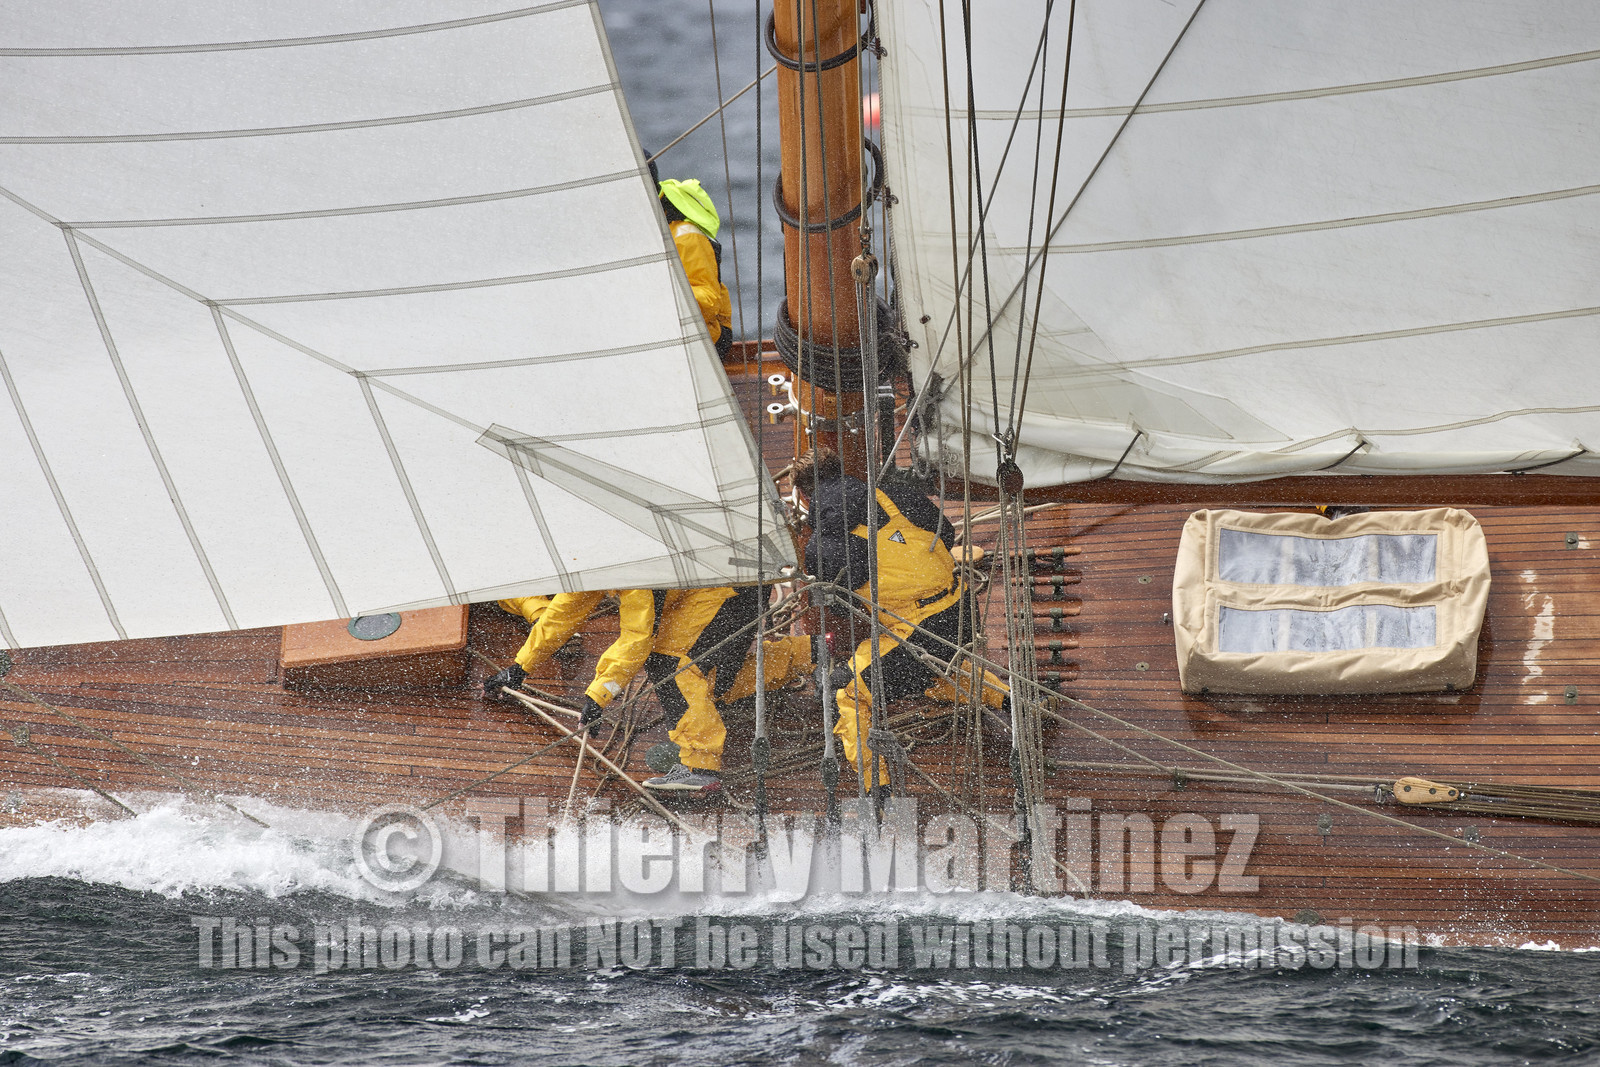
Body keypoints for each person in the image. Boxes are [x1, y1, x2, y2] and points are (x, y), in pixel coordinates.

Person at [795, 449, 1008, 791]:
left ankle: (875, 788)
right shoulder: (895, 494)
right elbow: (948, 535)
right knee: (927, 667)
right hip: (962, 610)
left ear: (804, 496)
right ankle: (1009, 697)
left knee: (847, 691)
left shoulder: (823, 545)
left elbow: (838, 608)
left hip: (921, 629)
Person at [639, 588, 813, 794]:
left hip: (722, 600)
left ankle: (701, 767)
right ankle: (813, 650)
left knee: (669, 667)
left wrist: (598, 694)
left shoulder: (629, 586)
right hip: (743, 595)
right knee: (718, 682)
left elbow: (635, 638)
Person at [657, 175, 734, 358]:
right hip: (671, 331)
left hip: (708, 337)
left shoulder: (687, 237)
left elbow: (708, 302)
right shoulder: (656, 230)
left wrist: (664, 297)